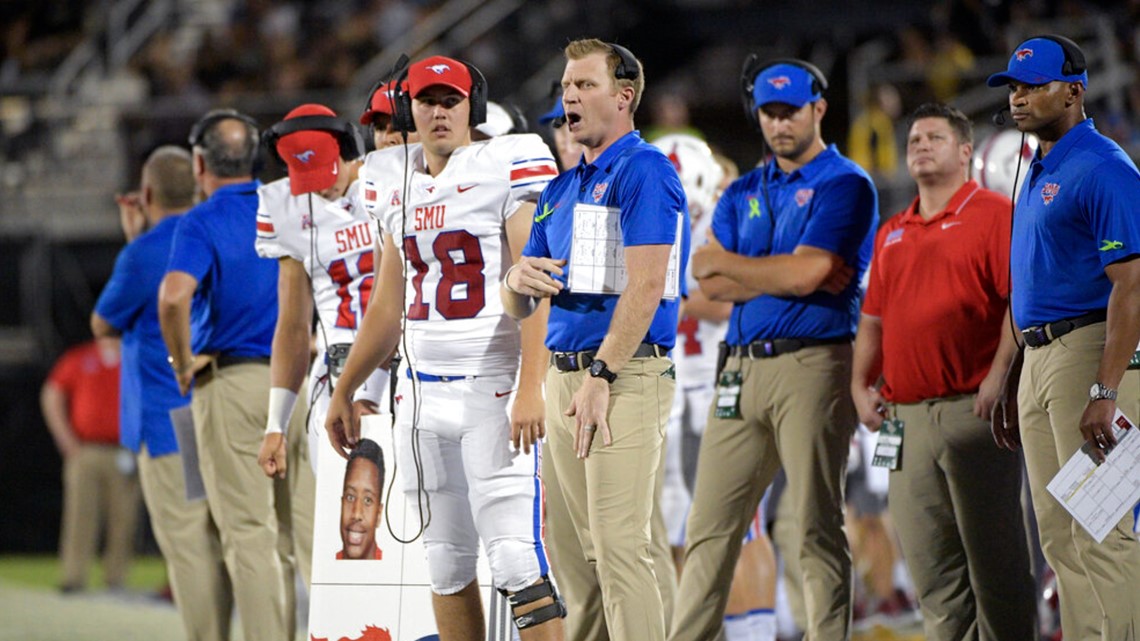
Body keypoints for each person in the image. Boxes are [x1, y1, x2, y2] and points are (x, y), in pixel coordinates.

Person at [324, 54, 563, 639]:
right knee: (446, 562)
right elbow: (386, 305)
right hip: (421, 396)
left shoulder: (508, 161)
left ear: (472, 107)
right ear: (409, 109)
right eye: (426, 101)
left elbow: (532, 281)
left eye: (450, 100)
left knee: (514, 558)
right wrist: (345, 388)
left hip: (494, 388)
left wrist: (531, 387)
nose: (438, 112)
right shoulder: (390, 175)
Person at [670, 58, 877, 641]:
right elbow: (707, 279)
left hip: (813, 363)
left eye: (791, 111)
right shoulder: (741, 189)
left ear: (819, 109)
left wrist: (763, 271)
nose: (780, 123)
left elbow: (806, 273)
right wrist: (784, 273)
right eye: (769, 112)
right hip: (738, 367)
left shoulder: (846, 183)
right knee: (709, 526)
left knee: (813, 525)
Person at [503, 39, 689, 641]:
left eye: (584, 86)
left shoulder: (646, 170)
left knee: (619, 550)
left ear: (624, 97)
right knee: (578, 562)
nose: (570, 96)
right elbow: (520, 302)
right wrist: (513, 278)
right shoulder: (559, 190)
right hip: (564, 378)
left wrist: (602, 376)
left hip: (622, 376)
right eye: (565, 86)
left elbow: (648, 285)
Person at [850, 102, 1036, 639]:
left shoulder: (995, 214)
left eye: (934, 137)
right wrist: (860, 384)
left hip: (971, 413)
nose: (920, 146)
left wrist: (1000, 375)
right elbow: (874, 321)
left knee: (995, 568)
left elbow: (1017, 304)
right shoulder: (892, 231)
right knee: (933, 573)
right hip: (903, 420)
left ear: (964, 151)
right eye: (913, 140)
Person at [988, 34, 1140, 639]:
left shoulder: (1103, 166)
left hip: (1090, 351)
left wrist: (1106, 390)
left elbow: (1132, 286)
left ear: (1074, 91)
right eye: (1014, 88)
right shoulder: (1041, 167)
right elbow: (1028, 286)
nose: (1019, 99)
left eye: (1034, 86)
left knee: (1103, 529)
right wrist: (1011, 369)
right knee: (1058, 534)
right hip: (1041, 356)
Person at [158, 109, 315, 641]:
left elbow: (174, 297)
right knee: (305, 539)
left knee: (251, 535)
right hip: (305, 382)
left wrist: (181, 365)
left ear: (200, 163)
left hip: (237, 383)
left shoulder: (199, 221)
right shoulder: (291, 203)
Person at [91, 145, 233, 640]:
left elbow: (102, 323)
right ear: (195, 187)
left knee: (188, 545)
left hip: (166, 415)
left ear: (146, 193)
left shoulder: (146, 251)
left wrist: (135, 241)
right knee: (223, 541)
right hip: (218, 406)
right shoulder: (211, 230)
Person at [653, 133, 778, 641]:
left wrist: (673, 295)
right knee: (684, 536)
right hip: (677, 397)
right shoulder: (662, 228)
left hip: (723, 391)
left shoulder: (731, 219)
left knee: (740, 533)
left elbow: (745, 298)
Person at [254, 103, 388, 481]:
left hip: (405, 366)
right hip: (337, 368)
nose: (320, 186)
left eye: (325, 171)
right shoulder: (281, 206)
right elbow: (294, 325)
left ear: (349, 148)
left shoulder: (390, 179)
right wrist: (275, 424)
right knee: (340, 519)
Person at [40, 338, 138, 593]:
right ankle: (73, 577)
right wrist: (66, 441)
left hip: (124, 452)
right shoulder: (80, 358)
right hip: (86, 450)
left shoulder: (134, 358)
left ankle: (116, 579)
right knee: (80, 516)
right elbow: (52, 394)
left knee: (124, 517)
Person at [338, 438, 385, 560]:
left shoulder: (391, 572)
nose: (357, 514)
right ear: (341, 504)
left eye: (368, 500)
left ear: (379, 514)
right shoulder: (324, 569)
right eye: (350, 497)